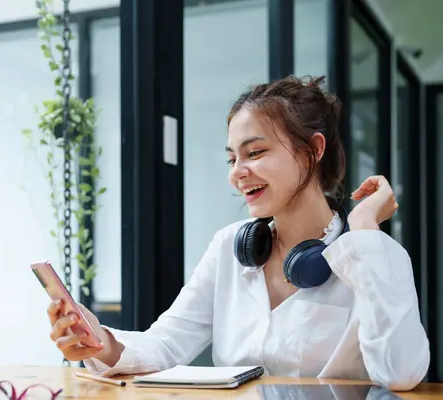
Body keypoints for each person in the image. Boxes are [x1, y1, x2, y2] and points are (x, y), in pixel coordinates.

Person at [46, 75, 430, 391]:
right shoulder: (230, 246)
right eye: (233, 158)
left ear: (313, 150)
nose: (237, 172)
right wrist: (103, 341)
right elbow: (166, 342)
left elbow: (401, 373)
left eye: (256, 152)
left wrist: (364, 234)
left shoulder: (376, 256)